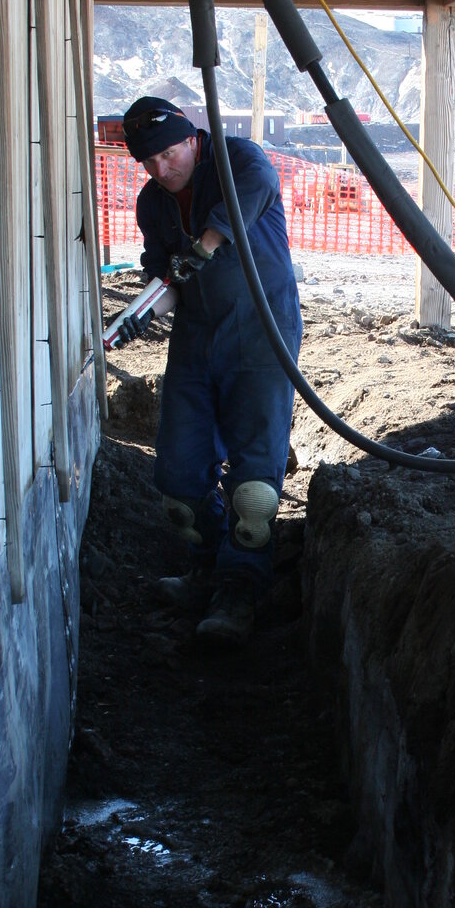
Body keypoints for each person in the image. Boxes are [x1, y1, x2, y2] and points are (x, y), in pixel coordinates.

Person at [117, 96, 302, 643]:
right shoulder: (153, 202)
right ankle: (204, 570)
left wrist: (202, 248)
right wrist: (139, 314)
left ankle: (241, 589)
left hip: (261, 331)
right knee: (179, 477)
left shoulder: (238, 159)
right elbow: (170, 282)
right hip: (196, 337)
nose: (160, 170)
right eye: (147, 162)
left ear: (192, 138)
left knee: (254, 492)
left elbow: (237, 215)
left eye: (168, 154)